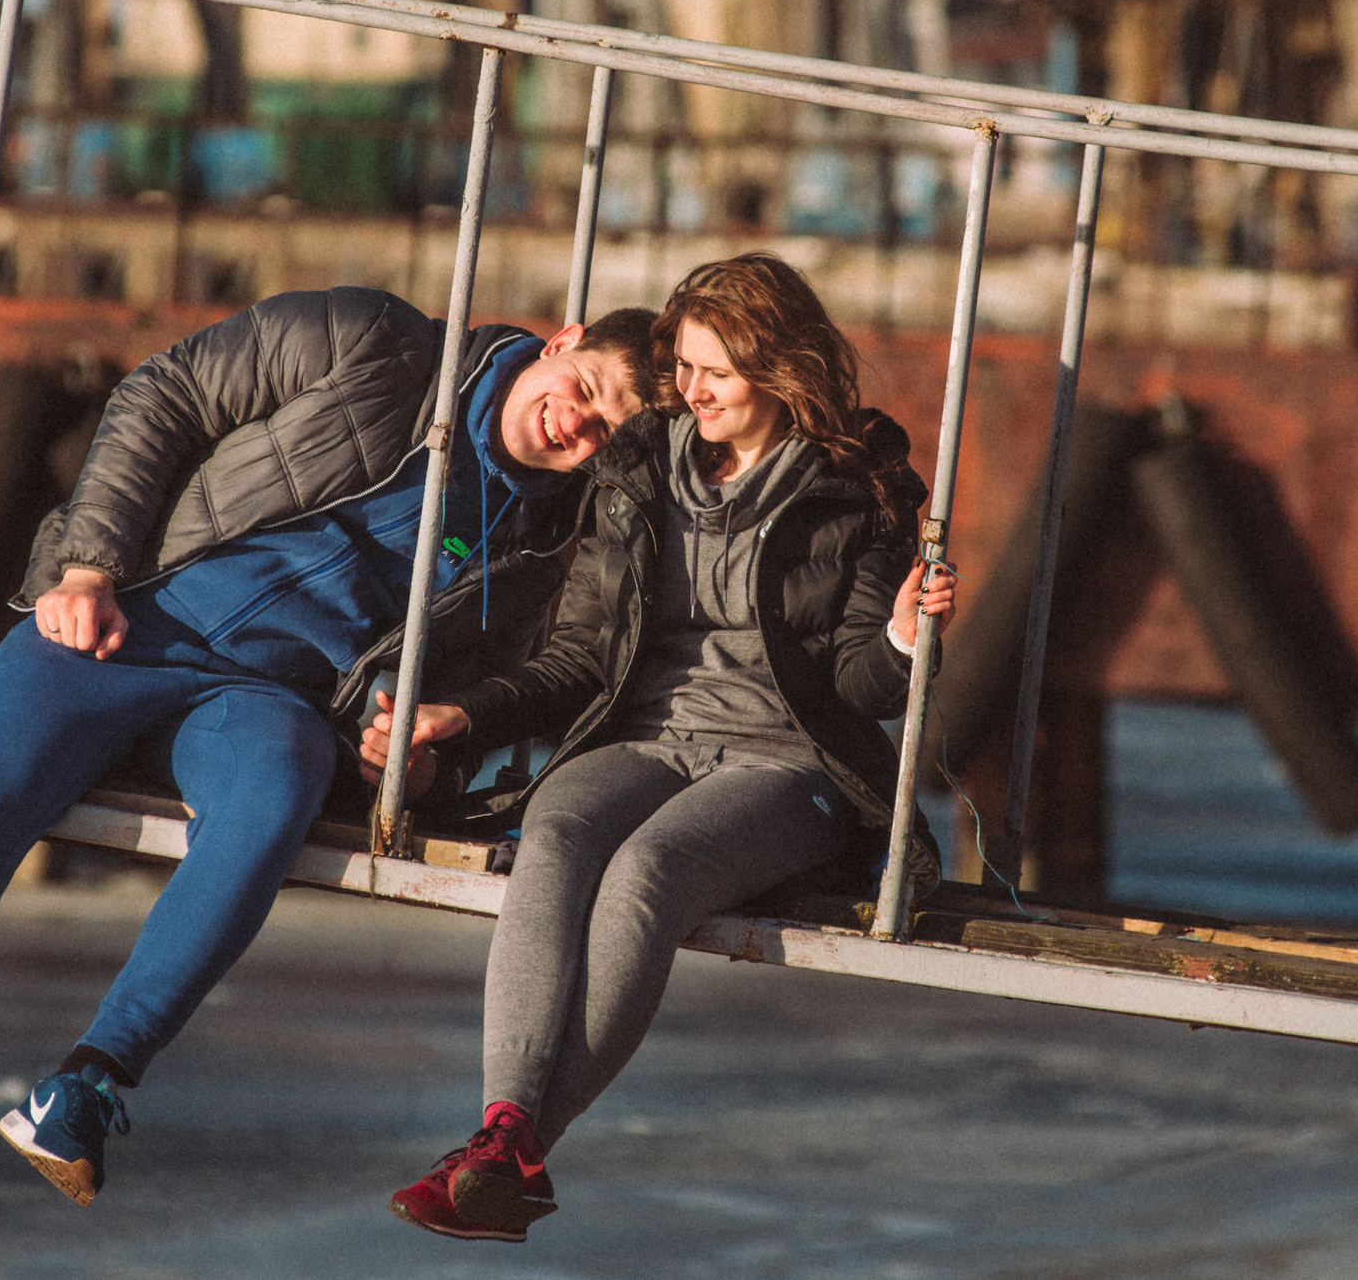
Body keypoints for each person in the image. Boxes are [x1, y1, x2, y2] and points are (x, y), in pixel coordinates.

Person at [0, 286, 655, 1239]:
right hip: (125, 620)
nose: (576, 424)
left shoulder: (539, 542)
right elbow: (164, 393)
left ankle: (89, 1081)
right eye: (586, 388)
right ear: (563, 340)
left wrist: (420, 763)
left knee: (278, 795)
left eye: (603, 433)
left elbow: (466, 696)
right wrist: (89, 567)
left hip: (261, 700)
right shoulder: (379, 340)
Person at [365, 253, 955, 1243]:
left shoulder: (860, 489)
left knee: (649, 867)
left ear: (780, 368)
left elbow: (863, 689)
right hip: (648, 738)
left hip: (789, 762)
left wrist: (902, 634)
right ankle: (505, 1136)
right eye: (684, 365)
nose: (692, 389)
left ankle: (507, 1152)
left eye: (716, 371)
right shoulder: (639, 467)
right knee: (556, 834)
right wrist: (462, 714)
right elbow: (578, 657)